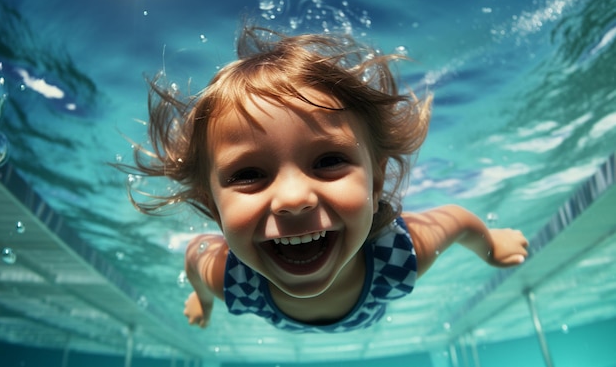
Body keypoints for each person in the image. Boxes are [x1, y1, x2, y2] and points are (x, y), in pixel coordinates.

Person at [126, 25, 529, 333]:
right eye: (249, 174)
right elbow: (196, 255)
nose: (292, 198)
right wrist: (203, 300)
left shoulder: (397, 257)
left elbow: (456, 220)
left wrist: (491, 244)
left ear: (375, 184)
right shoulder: (232, 281)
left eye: (329, 161)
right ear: (214, 207)